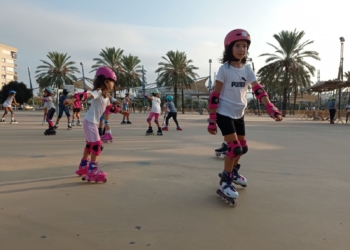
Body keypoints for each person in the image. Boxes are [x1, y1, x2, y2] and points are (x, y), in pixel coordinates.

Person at [207, 29, 283, 206]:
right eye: (238, 46)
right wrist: (212, 119)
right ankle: (225, 181)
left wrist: (270, 107)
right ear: (229, 48)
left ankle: (232, 172)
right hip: (224, 113)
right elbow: (215, 95)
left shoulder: (248, 70)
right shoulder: (224, 70)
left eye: (245, 46)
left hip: (239, 113)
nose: (242, 49)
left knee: (244, 148)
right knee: (234, 149)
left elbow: (258, 90)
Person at [64, 67, 128, 182]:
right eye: (113, 82)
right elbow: (86, 95)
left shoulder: (105, 96)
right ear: (106, 81)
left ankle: (83, 167)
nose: (113, 84)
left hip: (89, 121)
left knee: (90, 145)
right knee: (97, 144)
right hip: (91, 122)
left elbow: (110, 107)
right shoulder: (98, 92)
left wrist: (122, 111)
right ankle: (93, 170)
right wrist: (73, 100)